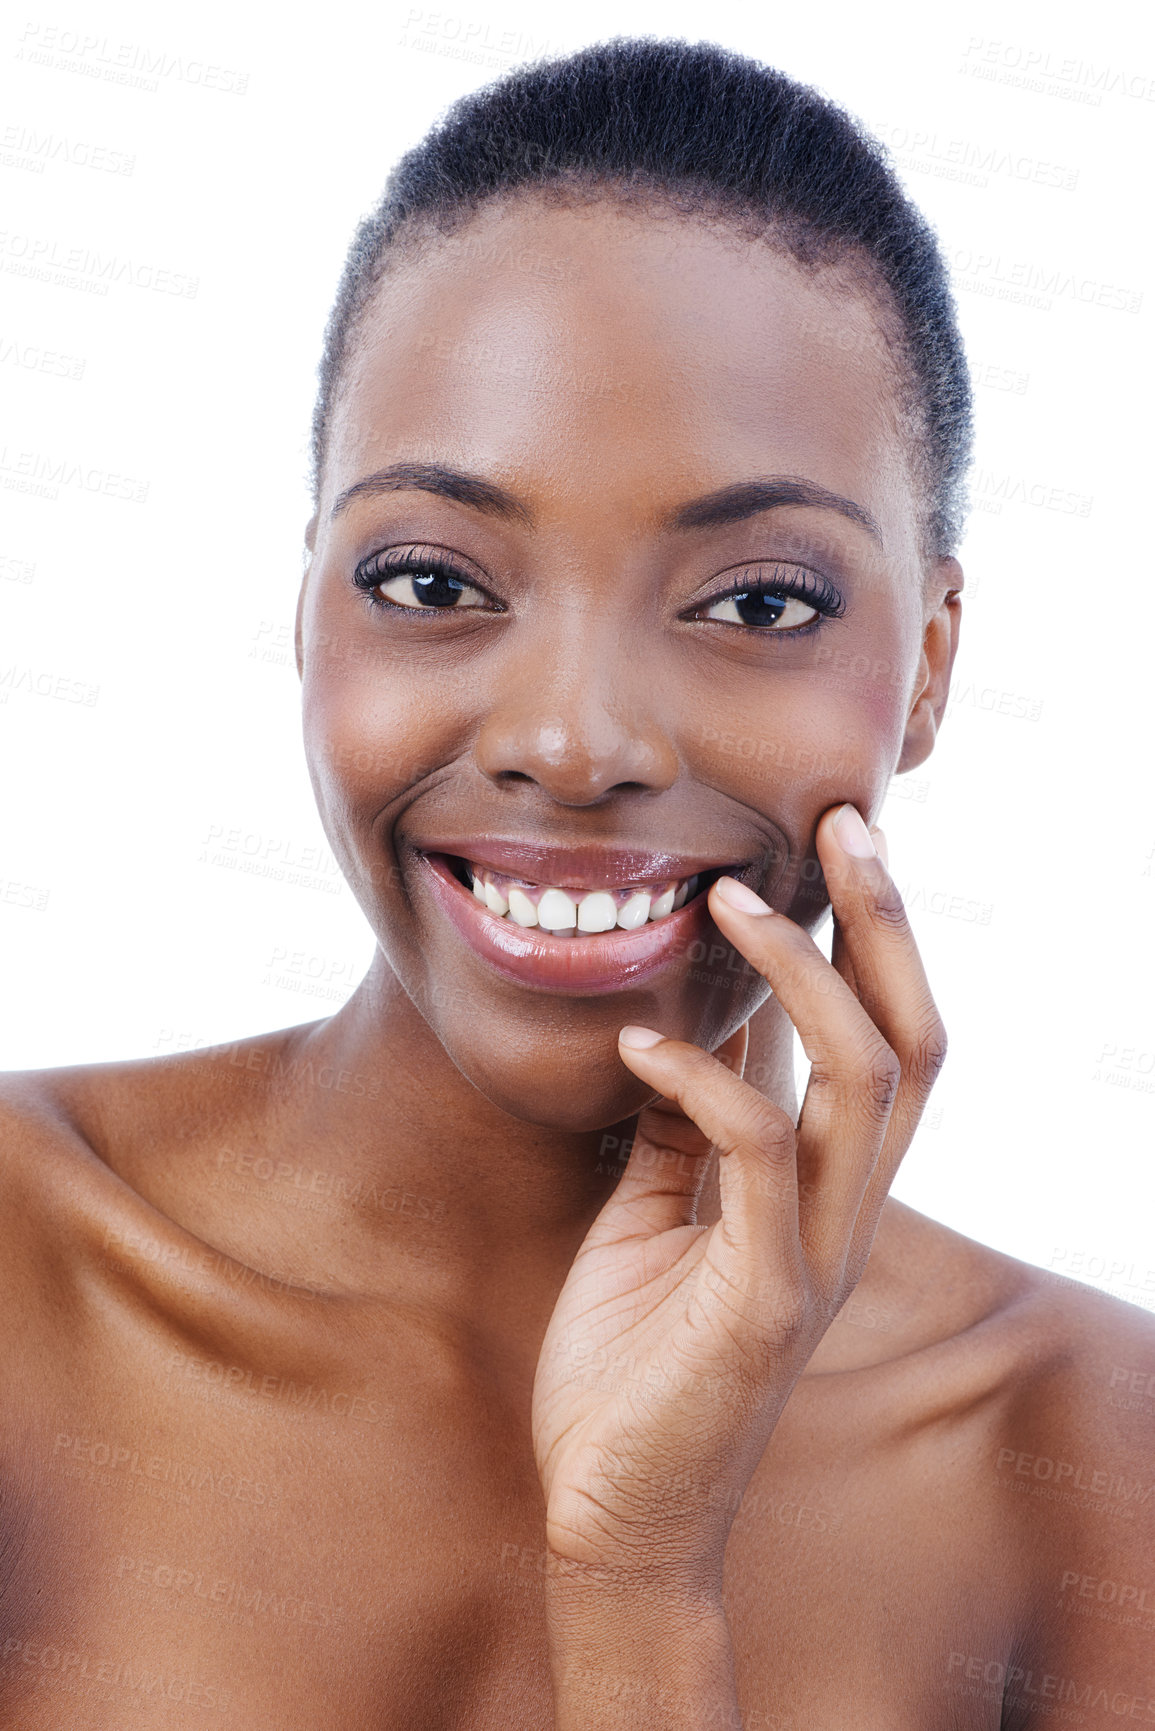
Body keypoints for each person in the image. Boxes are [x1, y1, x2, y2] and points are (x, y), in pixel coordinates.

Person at [2, 35, 1151, 1730]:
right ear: (309, 601)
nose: (570, 738)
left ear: (928, 671)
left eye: (757, 604)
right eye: (431, 578)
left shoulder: (1093, 1455)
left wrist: (636, 1577)